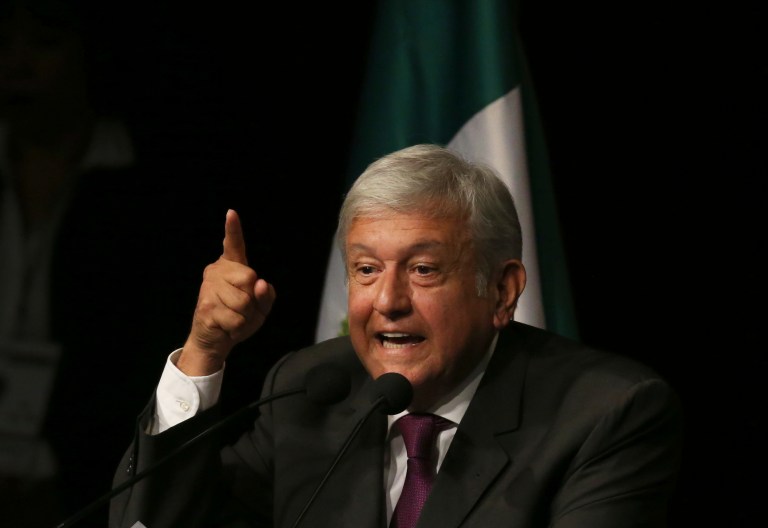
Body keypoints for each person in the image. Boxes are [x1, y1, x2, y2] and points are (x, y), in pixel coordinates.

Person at [108, 144, 684, 528]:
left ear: (503, 291)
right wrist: (203, 353)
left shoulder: (606, 412)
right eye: (365, 269)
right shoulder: (310, 391)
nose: (387, 301)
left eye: (424, 269)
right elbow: (148, 522)